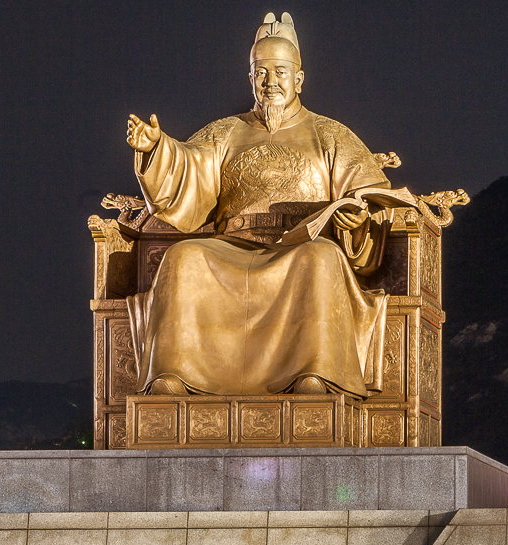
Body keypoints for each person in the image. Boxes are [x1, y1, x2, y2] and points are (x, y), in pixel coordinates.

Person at [123, 13, 394, 397]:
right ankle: (175, 376)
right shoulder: (225, 131)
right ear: (250, 78)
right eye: (261, 72)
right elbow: (188, 168)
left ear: (299, 78)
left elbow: (373, 196)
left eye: (280, 71)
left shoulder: (331, 135)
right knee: (183, 258)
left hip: (300, 247)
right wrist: (157, 149)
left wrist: (356, 217)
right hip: (232, 245)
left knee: (320, 259)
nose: (271, 82)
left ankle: (314, 376)